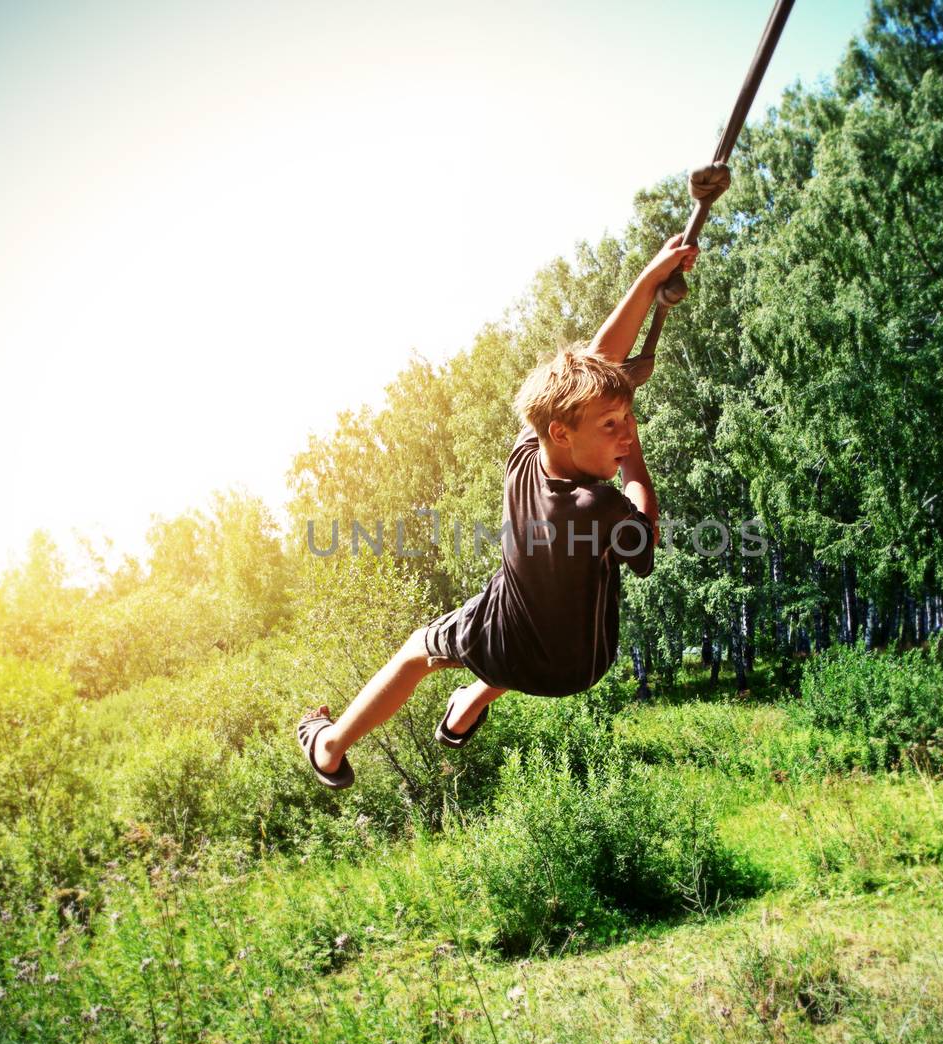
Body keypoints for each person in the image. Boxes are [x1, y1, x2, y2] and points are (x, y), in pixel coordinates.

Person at [296, 236, 699, 788]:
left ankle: (331, 746)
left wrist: (649, 282)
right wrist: (634, 455)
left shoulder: (525, 454)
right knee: (536, 596)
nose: (624, 431)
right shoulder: (600, 507)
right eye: (611, 425)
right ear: (562, 431)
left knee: (428, 646)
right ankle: (465, 706)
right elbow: (646, 533)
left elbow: (595, 365)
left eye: (623, 423)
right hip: (582, 662)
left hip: (514, 642)